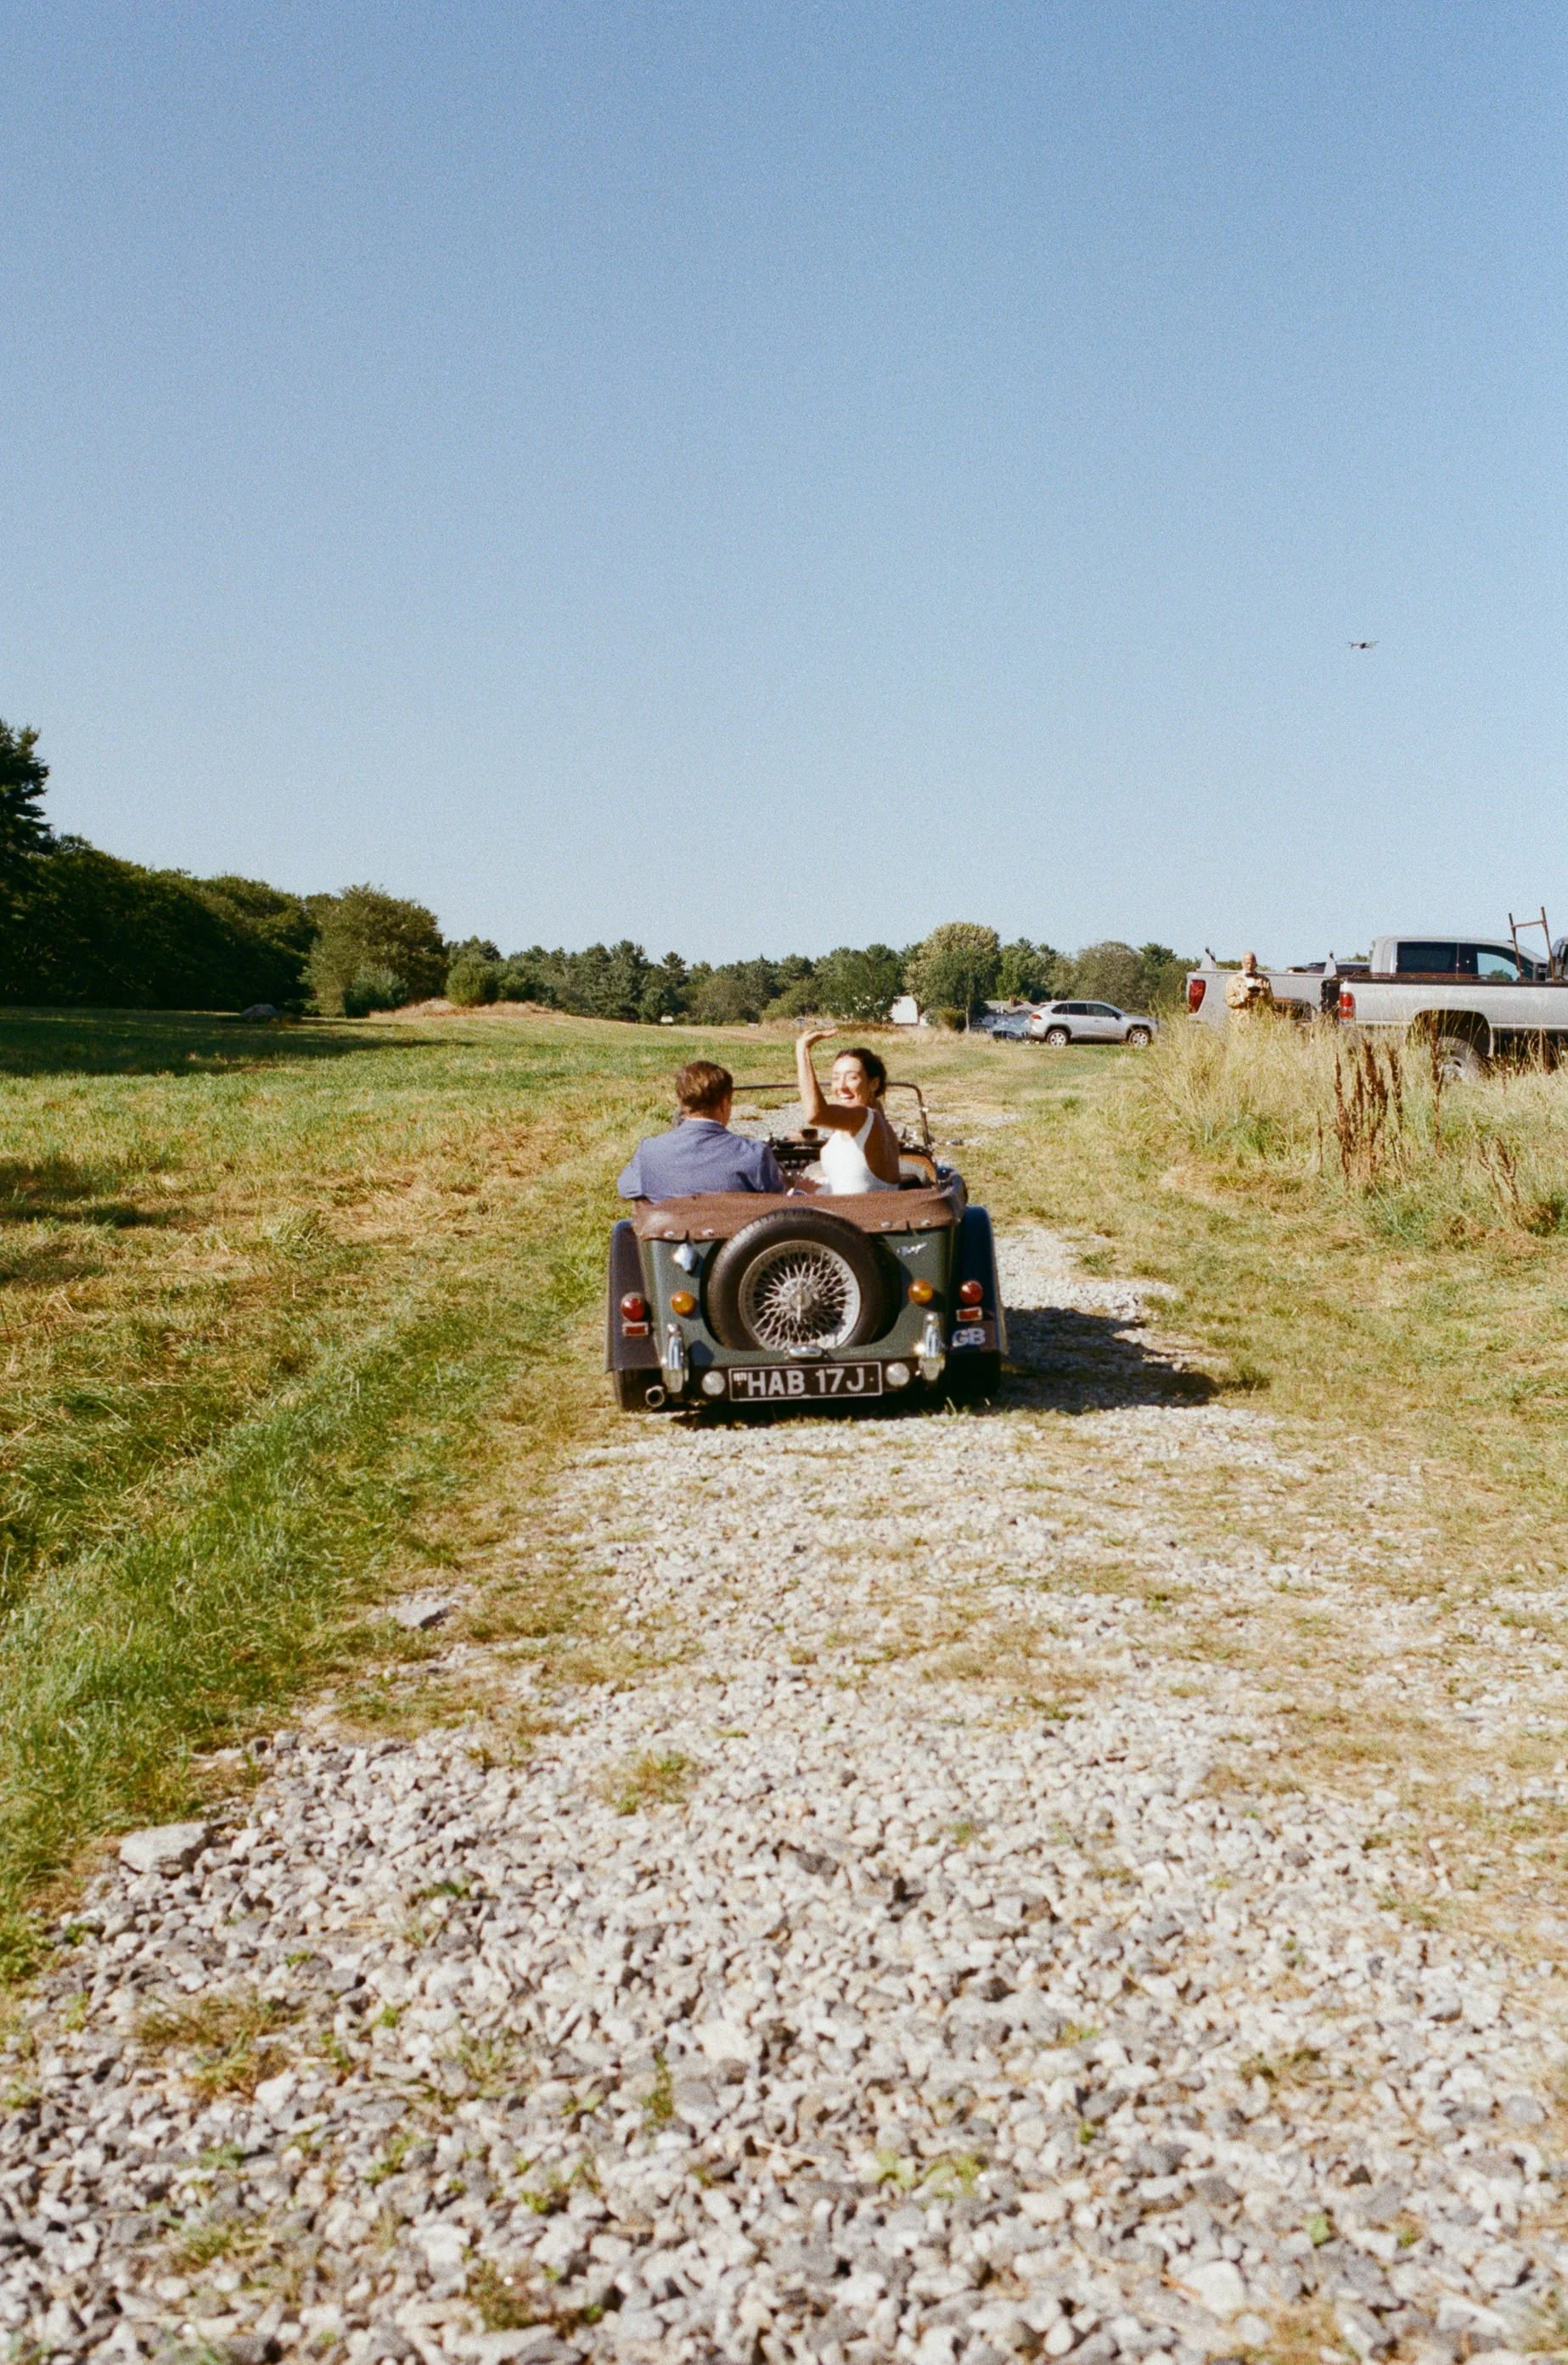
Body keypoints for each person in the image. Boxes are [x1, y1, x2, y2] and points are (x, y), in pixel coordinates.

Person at [617, 1059, 788, 1201]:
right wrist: (800, 1190)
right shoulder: (755, 1154)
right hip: (734, 1240)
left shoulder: (650, 1150)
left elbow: (626, 1188)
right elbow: (778, 1209)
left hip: (673, 1239)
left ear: (680, 1102)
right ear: (724, 1103)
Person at [794, 1029, 902, 1192]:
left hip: (856, 1214)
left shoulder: (865, 1117)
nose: (841, 1087)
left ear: (874, 1084)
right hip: (845, 1210)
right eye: (836, 1078)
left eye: (852, 1077)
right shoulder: (875, 1119)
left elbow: (815, 1115)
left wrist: (802, 1049)